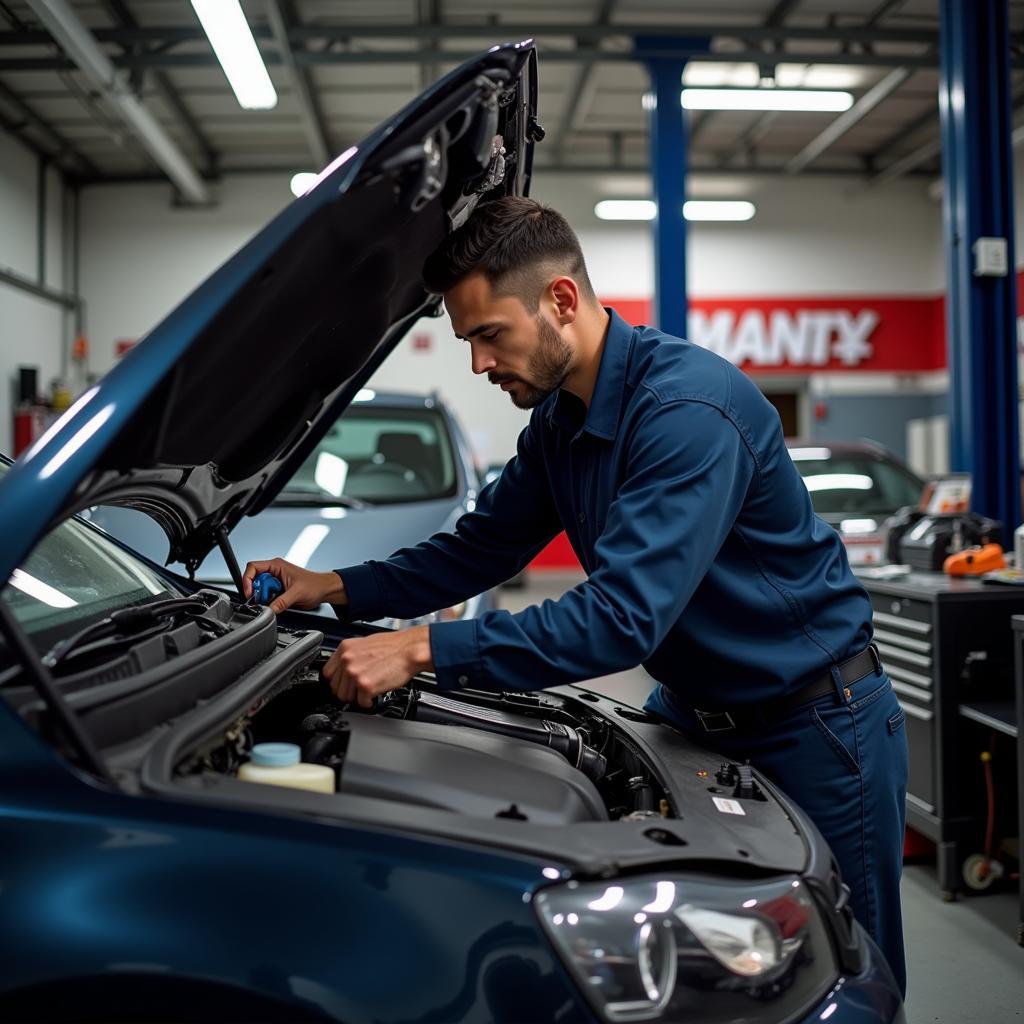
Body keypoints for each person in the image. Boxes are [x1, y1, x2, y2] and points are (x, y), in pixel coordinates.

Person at [243, 196, 908, 996]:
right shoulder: (561, 421)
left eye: (490, 334)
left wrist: (422, 647)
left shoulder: (686, 412)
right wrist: (341, 586)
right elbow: (477, 548)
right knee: (727, 975)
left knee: (848, 974)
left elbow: (620, 620)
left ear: (560, 300)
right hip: (698, 715)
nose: (480, 364)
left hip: (817, 726)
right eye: (468, 341)